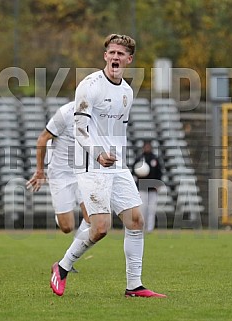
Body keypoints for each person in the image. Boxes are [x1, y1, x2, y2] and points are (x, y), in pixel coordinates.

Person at [50, 34, 167, 298]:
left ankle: (134, 286)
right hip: (90, 164)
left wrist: (116, 158)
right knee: (100, 228)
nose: (115, 57)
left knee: (135, 221)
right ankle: (62, 267)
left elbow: (118, 132)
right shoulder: (89, 85)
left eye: (120, 54)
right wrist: (99, 153)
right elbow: (79, 129)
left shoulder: (127, 91)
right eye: (111, 52)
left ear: (129, 59)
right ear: (105, 56)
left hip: (117, 164)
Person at [26, 101, 90, 242]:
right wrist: (40, 171)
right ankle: (60, 214)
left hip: (84, 173)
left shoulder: (98, 113)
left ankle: (69, 258)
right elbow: (43, 139)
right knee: (67, 227)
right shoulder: (65, 113)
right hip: (60, 174)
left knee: (92, 217)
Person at [132, 140, 163, 232]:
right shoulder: (139, 159)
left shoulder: (155, 159)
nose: (147, 148)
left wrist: (158, 184)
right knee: (142, 209)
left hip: (153, 189)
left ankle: (150, 228)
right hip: (142, 188)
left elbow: (159, 173)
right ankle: (142, 227)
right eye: (146, 147)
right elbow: (133, 172)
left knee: (151, 209)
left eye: (149, 147)